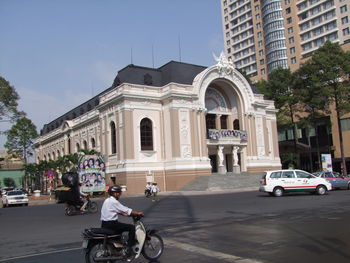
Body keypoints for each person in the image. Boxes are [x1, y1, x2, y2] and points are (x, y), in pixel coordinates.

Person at [100, 185, 144, 258]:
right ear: (115, 193)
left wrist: (124, 214)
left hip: (104, 224)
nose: (120, 195)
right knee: (131, 227)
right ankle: (129, 247)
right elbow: (125, 209)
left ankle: (117, 249)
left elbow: (114, 210)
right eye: (119, 193)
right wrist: (137, 213)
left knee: (120, 231)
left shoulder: (107, 200)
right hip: (112, 224)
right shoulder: (114, 201)